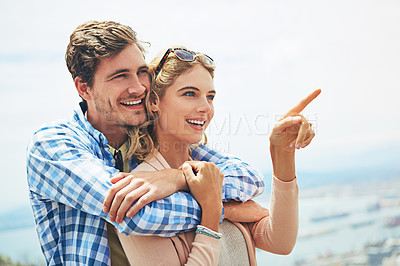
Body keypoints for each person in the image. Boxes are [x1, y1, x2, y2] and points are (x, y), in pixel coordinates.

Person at [26, 21, 266, 265]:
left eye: (141, 72)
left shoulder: (146, 137)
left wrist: (178, 178)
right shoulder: (52, 146)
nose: (139, 87)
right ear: (84, 88)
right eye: (120, 76)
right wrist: (222, 209)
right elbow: (136, 215)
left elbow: (248, 177)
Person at [109, 46, 320, 265]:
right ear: (154, 102)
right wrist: (211, 212)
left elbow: (280, 241)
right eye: (189, 94)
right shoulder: (140, 190)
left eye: (210, 97)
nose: (205, 108)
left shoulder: (217, 175)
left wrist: (282, 153)